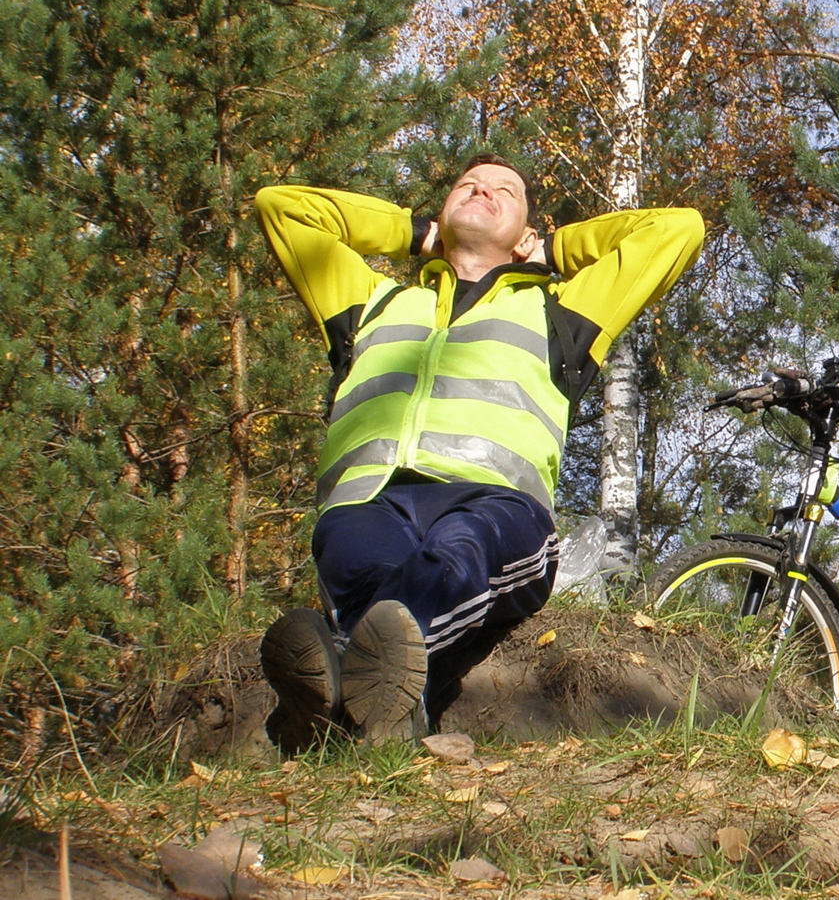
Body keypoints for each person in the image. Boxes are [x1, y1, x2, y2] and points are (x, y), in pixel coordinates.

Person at [253, 157, 704, 749]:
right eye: (467, 186)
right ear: (442, 213)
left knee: (456, 552)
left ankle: (342, 668)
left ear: (525, 234)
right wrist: (411, 233)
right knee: (359, 555)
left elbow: (680, 229)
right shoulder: (372, 301)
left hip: (497, 508)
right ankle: (386, 702)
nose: (482, 191)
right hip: (371, 497)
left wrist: (554, 251)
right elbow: (280, 207)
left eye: (505, 191)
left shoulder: (563, 312)